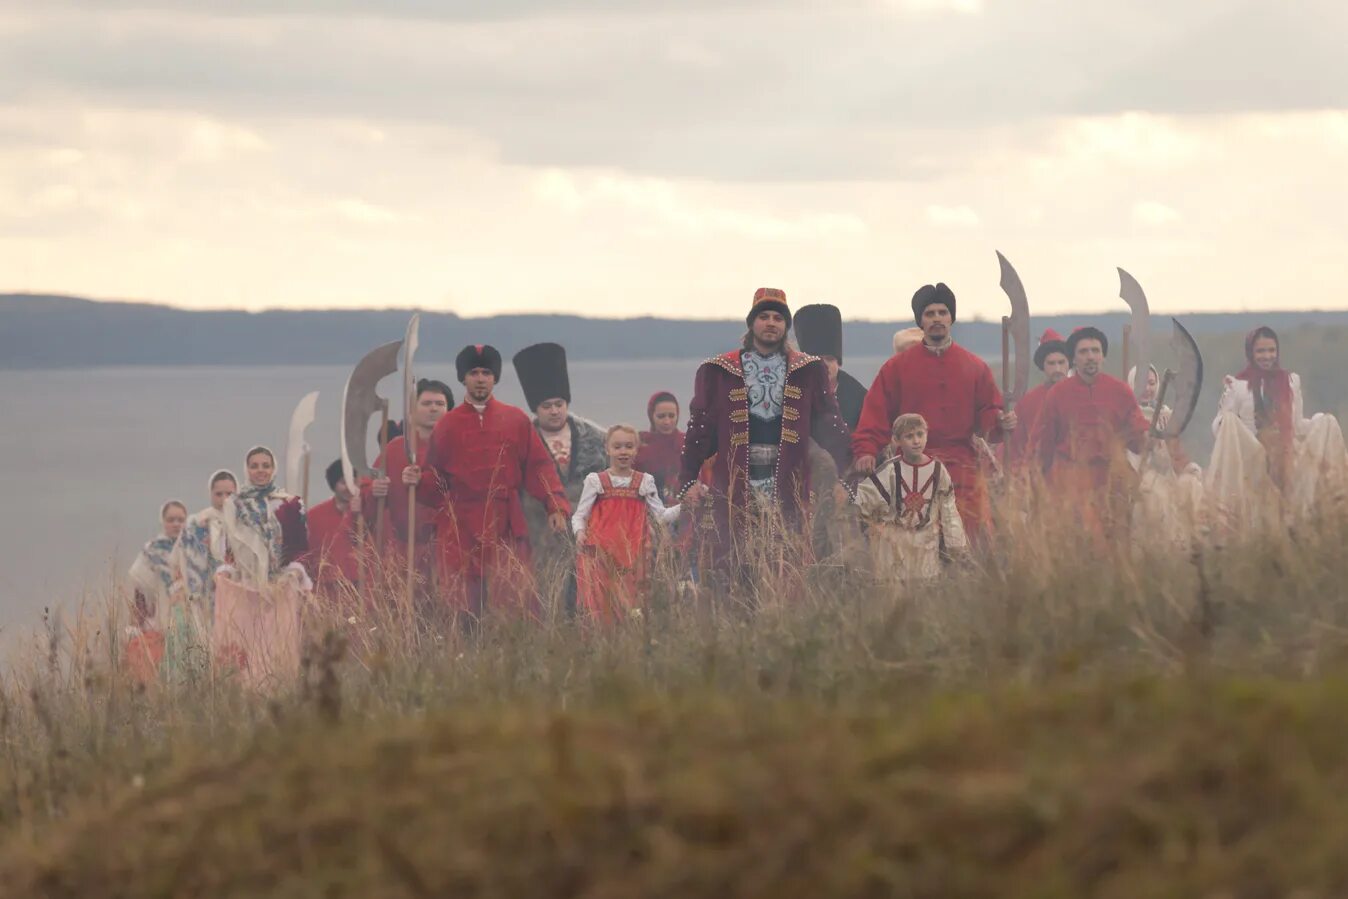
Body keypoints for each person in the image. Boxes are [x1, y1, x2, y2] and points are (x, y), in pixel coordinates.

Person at [680, 288, 852, 586]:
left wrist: (846, 474)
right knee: (732, 563)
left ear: (785, 326)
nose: (771, 323)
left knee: (787, 561)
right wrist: (688, 480)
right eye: (763, 316)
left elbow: (830, 423)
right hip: (735, 482)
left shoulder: (808, 370)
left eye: (777, 318)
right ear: (751, 323)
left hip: (788, 480)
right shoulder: (718, 371)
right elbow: (700, 429)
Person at [411, 344, 571, 619]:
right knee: (462, 607)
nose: (481, 378)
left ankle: (507, 656)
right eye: (474, 372)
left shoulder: (515, 419)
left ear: (495, 377)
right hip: (460, 527)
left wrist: (554, 504)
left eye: (486, 372)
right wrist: (416, 480)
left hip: (505, 523)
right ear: (463, 377)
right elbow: (435, 485)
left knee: (512, 602)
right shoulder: (447, 425)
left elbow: (539, 466)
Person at [852, 284, 1015, 542]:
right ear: (921, 321)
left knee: (971, 543)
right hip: (910, 470)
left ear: (951, 318)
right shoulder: (896, 368)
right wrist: (866, 450)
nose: (937, 318)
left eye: (942, 312)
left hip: (963, 469)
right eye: (930, 314)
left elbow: (988, 415)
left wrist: (999, 421)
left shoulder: (975, 367)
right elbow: (876, 413)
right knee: (914, 546)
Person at [1209, 326, 1347, 521]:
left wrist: (1319, 422)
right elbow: (1221, 428)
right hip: (1253, 452)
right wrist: (1226, 419)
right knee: (1230, 422)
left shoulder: (1290, 381)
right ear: (1251, 352)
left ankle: (1331, 508)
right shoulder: (1238, 385)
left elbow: (1297, 425)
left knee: (1328, 422)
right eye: (1261, 351)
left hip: (1286, 452)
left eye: (1271, 350)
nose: (1267, 356)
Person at [512, 342, 607, 613]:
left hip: (590, 544)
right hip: (540, 544)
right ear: (535, 408)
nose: (554, 411)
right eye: (546, 406)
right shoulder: (519, 444)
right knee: (547, 608)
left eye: (559, 404)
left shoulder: (598, 439)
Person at [1031, 327, 1148, 542]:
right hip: (1069, 487)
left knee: (1115, 552)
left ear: (1103, 356)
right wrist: (1040, 487)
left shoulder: (1120, 391)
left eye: (1095, 350)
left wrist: (1148, 436)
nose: (1090, 356)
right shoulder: (1057, 394)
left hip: (1112, 486)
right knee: (1075, 551)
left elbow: (1138, 441)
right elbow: (1042, 447)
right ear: (1073, 359)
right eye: (1083, 351)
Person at [214, 446, 311, 689]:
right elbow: (230, 551)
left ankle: (278, 699)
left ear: (273, 468)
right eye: (254, 465)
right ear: (246, 469)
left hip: (279, 589)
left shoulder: (288, 504)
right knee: (245, 648)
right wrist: (228, 572)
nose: (260, 471)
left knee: (276, 647)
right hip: (246, 588)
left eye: (265, 465)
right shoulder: (234, 505)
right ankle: (245, 703)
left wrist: (293, 571)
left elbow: (302, 547)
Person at [572, 425, 682, 625]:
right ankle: (601, 649)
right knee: (600, 606)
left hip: (634, 556)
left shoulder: (644, 482)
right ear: (608, 449)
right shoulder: (596, 481)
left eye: (629, 446)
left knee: (631, 606)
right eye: (617, 446)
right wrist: (579, 532)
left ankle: (630, 650)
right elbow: (580, 515)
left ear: (636, 450)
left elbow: (661, 516)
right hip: (600, 555)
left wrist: (686, 507)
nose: (623, 451)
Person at [853, 413, 968, 584]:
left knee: (923, 600)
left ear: (927, 435)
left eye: (920, 435)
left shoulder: (938, 470)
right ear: (897, 440)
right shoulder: (890, 470)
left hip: (926, 549)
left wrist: (955, 544)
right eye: (909, 436)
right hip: (893, 550)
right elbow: (864, 502)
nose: (916, 441)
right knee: (894, 601)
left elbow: (949, 510)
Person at [364, 378, 454, 596]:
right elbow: (366, 495)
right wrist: (373, 491)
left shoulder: (458, 447)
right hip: (405, 552)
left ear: (449, 410)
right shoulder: (395, 449)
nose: (433, 408)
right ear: (412, 411)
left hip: (449, 551)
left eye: (440, 404)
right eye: (426, 403)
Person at [123, 500, 188, 683]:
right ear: (163, 522)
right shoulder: (152, 551)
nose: (176, 524)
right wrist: (139, 622)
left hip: (190, 618)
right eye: (171, 520)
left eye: (180, 520)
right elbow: (140, 588)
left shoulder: (193, 549)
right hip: (160, 618)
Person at [1004, 329, 1070, 473]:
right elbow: (1015, 446)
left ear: (1068, 363)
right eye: (1051, 363)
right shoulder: (1027, 403)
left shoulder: (1081, 395)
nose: (1057, 368)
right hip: (1038, 478)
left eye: (1061, 362)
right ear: (1043, 366)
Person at [792, 303, 868, 429]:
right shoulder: (792, 391)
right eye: (818, 359)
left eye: (829, 359)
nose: (824, 365)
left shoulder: (860, 396)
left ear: (838, 362)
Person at [307, 459, 365, 604]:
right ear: (334, 485)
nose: (349, 488)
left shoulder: (370, 513)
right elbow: (309, 555)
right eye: (343, 482)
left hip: (361, 591)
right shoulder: (314, 516)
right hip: (326, 593)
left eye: (354, 481)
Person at [635, 391, 685, 504]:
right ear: (651, 416)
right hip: (648, 509)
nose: (667, 422)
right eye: (661, 416)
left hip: (684, 511)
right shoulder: (639, 444)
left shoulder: (688, 444)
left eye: (671, 416)